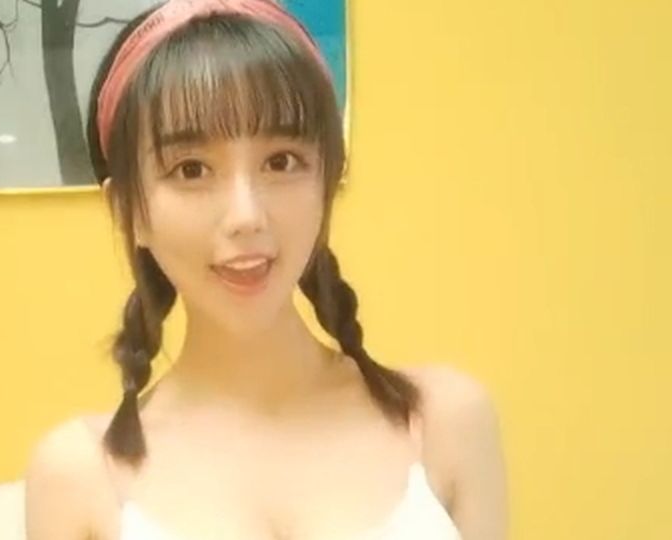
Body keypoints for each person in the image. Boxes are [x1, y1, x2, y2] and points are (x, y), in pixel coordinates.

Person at [25, 1, 508, 539]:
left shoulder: (447, 423)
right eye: (191, 169)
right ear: (129, 210)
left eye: (281, 161)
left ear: (327, 179)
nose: (246, 216)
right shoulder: (78, 473)